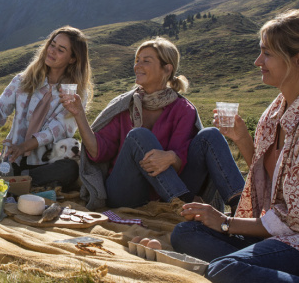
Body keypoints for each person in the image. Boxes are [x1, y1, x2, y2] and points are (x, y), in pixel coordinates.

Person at [170, 9, 299, 283]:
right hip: (290, 233)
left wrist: (225, 222)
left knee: (226, 268)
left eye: (267, 53)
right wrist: (244, 140)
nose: (258, 61)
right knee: (186, 234)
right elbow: (272, 183)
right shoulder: (276, 110)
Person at [66, 37, 245, 210]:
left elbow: (182, 157)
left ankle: (243, 205)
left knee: (210, 134)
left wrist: (172, 158)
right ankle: (181, 202)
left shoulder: (183, 109)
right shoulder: (124, 105)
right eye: (137, 60)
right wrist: (79, 115)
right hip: (126, 191)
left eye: (146, 61)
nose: (138, 66)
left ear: (167, 69)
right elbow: (98, 152)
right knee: (139, 135)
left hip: (166, 190)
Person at [0, 26, 93, 190]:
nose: (52, 51)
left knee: (70, 169)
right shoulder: (22, 81)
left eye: (61, 50)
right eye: (52, 45)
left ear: (72, 59)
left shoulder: (75, 92)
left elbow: (60, 129)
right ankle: (19, 183)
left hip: (46, 163)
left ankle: (10, 182)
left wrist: (25, 146)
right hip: (11, 159)